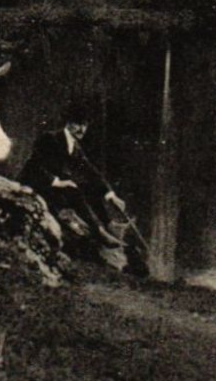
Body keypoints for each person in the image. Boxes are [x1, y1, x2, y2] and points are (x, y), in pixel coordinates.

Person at [19, 100, 133, 268]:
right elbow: (35, 166)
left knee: (88, 188)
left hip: (54, 188)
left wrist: (111, 195)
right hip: (35, 183)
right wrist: (57, 182)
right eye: (77, 124)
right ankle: (100, 232)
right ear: (68, 123)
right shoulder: (51, 138)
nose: (82, 129)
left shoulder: (75, 146)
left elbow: (90, 171)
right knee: (74, 190)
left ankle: (109, 225)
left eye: (84, 125)